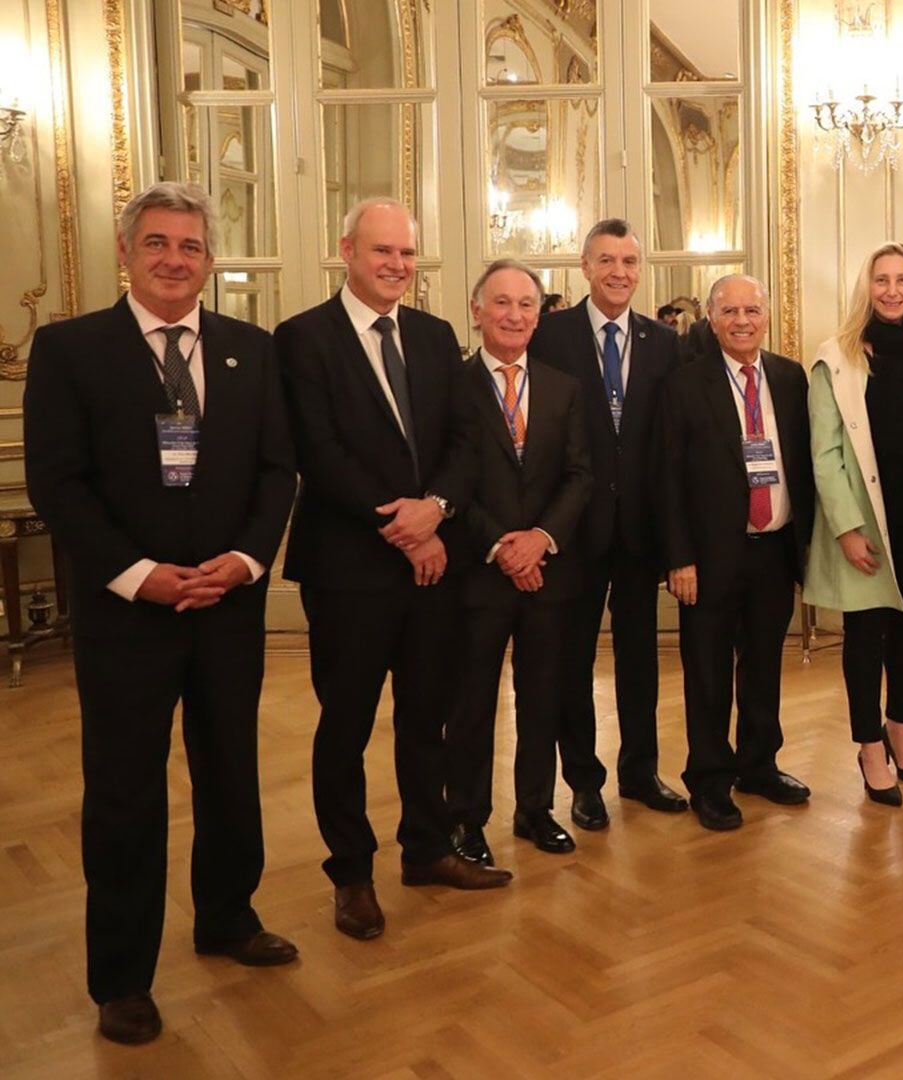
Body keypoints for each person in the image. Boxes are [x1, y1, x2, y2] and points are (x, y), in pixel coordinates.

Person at [23, 181, 299, 1045]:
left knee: (230, 774)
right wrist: (138, 574)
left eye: (190, 246)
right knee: (125, 795)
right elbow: (57, 485)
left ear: (209, 260)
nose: (175, 259)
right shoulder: (70, 350)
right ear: (126, 253)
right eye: (157, 244)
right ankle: (122, 979)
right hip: (127, 618)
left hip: (225, 607)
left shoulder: (251, 352)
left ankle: (227, 917)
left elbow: (274, 472)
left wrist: (247, 561)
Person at [277, 198, 512, 943]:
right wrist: (407, 530)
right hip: (350, 569)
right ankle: (351, 875)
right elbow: (317, 453)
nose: (397, 266)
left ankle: (427, 849)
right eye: (383, 252)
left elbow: (468, 441)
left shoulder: (436, 336)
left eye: (408, 254)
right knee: (344, 726)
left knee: (426, 718)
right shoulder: (302, 339)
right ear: (345, 249)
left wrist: (436, 507)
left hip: (431, 563)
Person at [528, 218, 689, 829]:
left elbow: (669, 448)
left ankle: (640, 771)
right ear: (585, 267)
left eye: (629, 262)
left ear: (639, 270)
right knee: (573, 660)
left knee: (640, 657)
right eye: (606, 261)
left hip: (640, 532)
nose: (619, 272)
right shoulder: (550, 336)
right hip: (573, 529)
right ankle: (584, 781)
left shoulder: (664, 342)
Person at [442, 259, 593, 861]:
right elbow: (449, 479)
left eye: (526, 304)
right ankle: (466, 820)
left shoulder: (564, 388)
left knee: (543, 696)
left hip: (549, 574)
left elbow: (580, 477)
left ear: (540, 313)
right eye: (501, 303)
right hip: (478, 574)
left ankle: (535, 810)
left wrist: (541, 539)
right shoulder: (451, 385)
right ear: (477, 311)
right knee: (472, 702)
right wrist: (503, 545)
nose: (514, 315)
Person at [654, 275, 816, 831]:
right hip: (709, 556)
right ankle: (709, 779)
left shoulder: (791, 379)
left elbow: (806, 465)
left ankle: (758, 765)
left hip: (775, 549)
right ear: (712, 319)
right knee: (707, 672)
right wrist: (679, 558)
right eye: (730, 312)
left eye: (752, 310)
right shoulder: (684, 385)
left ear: (765, 315)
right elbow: (668, 479)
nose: (743, 320)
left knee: (764, 665)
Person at [805, 243, 903, 806]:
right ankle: (869, 745)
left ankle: (902, 730)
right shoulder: (837, 355)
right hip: (866, 521)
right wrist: (845, 527)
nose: (892, 291)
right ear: (865, 288)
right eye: (881, 280)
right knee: (867, 635)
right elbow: (824, 453)